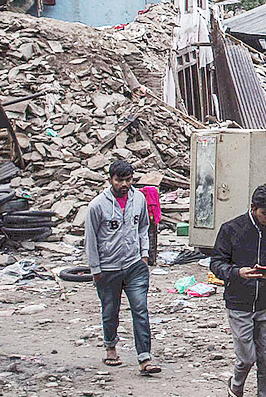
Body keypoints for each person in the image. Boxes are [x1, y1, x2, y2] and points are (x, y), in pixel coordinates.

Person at [211, 183, 266, 397]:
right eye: (264, 213)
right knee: (247, 357)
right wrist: (238, 272)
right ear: (253, 208)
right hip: (238, 303)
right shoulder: (231, 229)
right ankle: (236, 387)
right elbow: (216, 264)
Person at [84, 160, 161, 375]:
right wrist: (95, 269)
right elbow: (90, 239)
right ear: (110, 180)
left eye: (128, 180)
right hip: (108, 268)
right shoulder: (97, 205)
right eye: (119, 180)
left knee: (140, 309)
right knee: (110, 311)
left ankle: (145, 358)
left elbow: (144, 227)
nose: (124, 184)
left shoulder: (139, 199)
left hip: (134, 265)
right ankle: (111, 346)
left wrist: (144, 255)